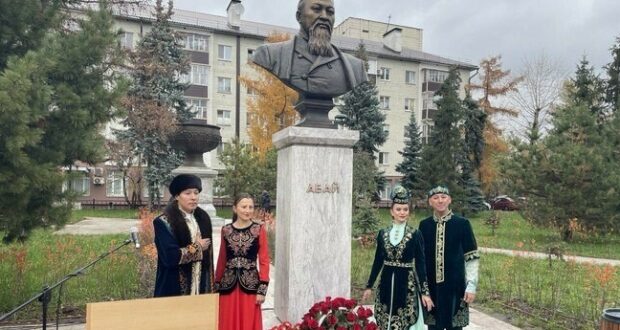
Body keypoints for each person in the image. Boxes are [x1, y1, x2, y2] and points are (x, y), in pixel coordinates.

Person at [251, 0, 367, 99]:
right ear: (299, 16)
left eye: (330, 12)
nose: (324, 16)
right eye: (316, 9)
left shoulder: (356, 67)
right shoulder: (270, 55)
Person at [362, 185, 434, 329]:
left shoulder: (415, 234)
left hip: (407, 284)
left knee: (405, 320)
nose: (402, 213)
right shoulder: (383, 233)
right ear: (392, 212)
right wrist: (369, 286)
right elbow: (378, 261)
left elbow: (421, 264)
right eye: (399, 209)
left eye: (405, 209)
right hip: (386, 283)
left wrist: (425, 293)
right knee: (384, 316)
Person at [418, 185, 480, 330]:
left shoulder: (462, 224)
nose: (440, 201)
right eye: (435, 198)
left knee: (455, 327)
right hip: (432, 289)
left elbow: (471, 257)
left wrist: (471, 286)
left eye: (443, 197)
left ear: (449, 200)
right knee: (433, 327)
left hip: (456, 289)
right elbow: (420, 260)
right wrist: (423, 290)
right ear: (430, 202)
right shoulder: (424, 225)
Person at [153, 174, 214, 297]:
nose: (193, 197)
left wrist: (211, 287)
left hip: (200, 286)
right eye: (188, 193)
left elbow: (209, 260)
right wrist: (197, 248)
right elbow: (170, 257)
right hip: (174, 287)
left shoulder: (203, 219)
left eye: (196, 193)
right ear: (176, 196)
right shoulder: (164, 222)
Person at [215, 193, 270, 330]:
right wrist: (216, 284)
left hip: (250, 286)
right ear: (235, 208)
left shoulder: (259, 230)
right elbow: (222, 258)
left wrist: (262, 290)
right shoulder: (226, 230)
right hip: (228, 286)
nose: (248, 210)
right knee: (227, 322)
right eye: (244, 206)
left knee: (248, 322)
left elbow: (264, 261)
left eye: (251, 207)